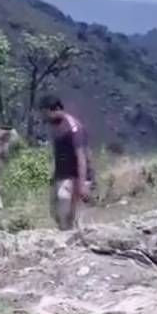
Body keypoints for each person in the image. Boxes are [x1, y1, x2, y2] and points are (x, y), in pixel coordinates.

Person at [40, 94, 92, 231]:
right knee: (55, 211)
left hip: (75, 176)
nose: (43, 117)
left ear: (54, 110)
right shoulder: (56, 126)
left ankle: (71, 240)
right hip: (62, 175)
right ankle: (67, 233)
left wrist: (82, 185)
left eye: (45, 113)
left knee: (67, 212)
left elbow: (81, 157)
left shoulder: (73, 128)